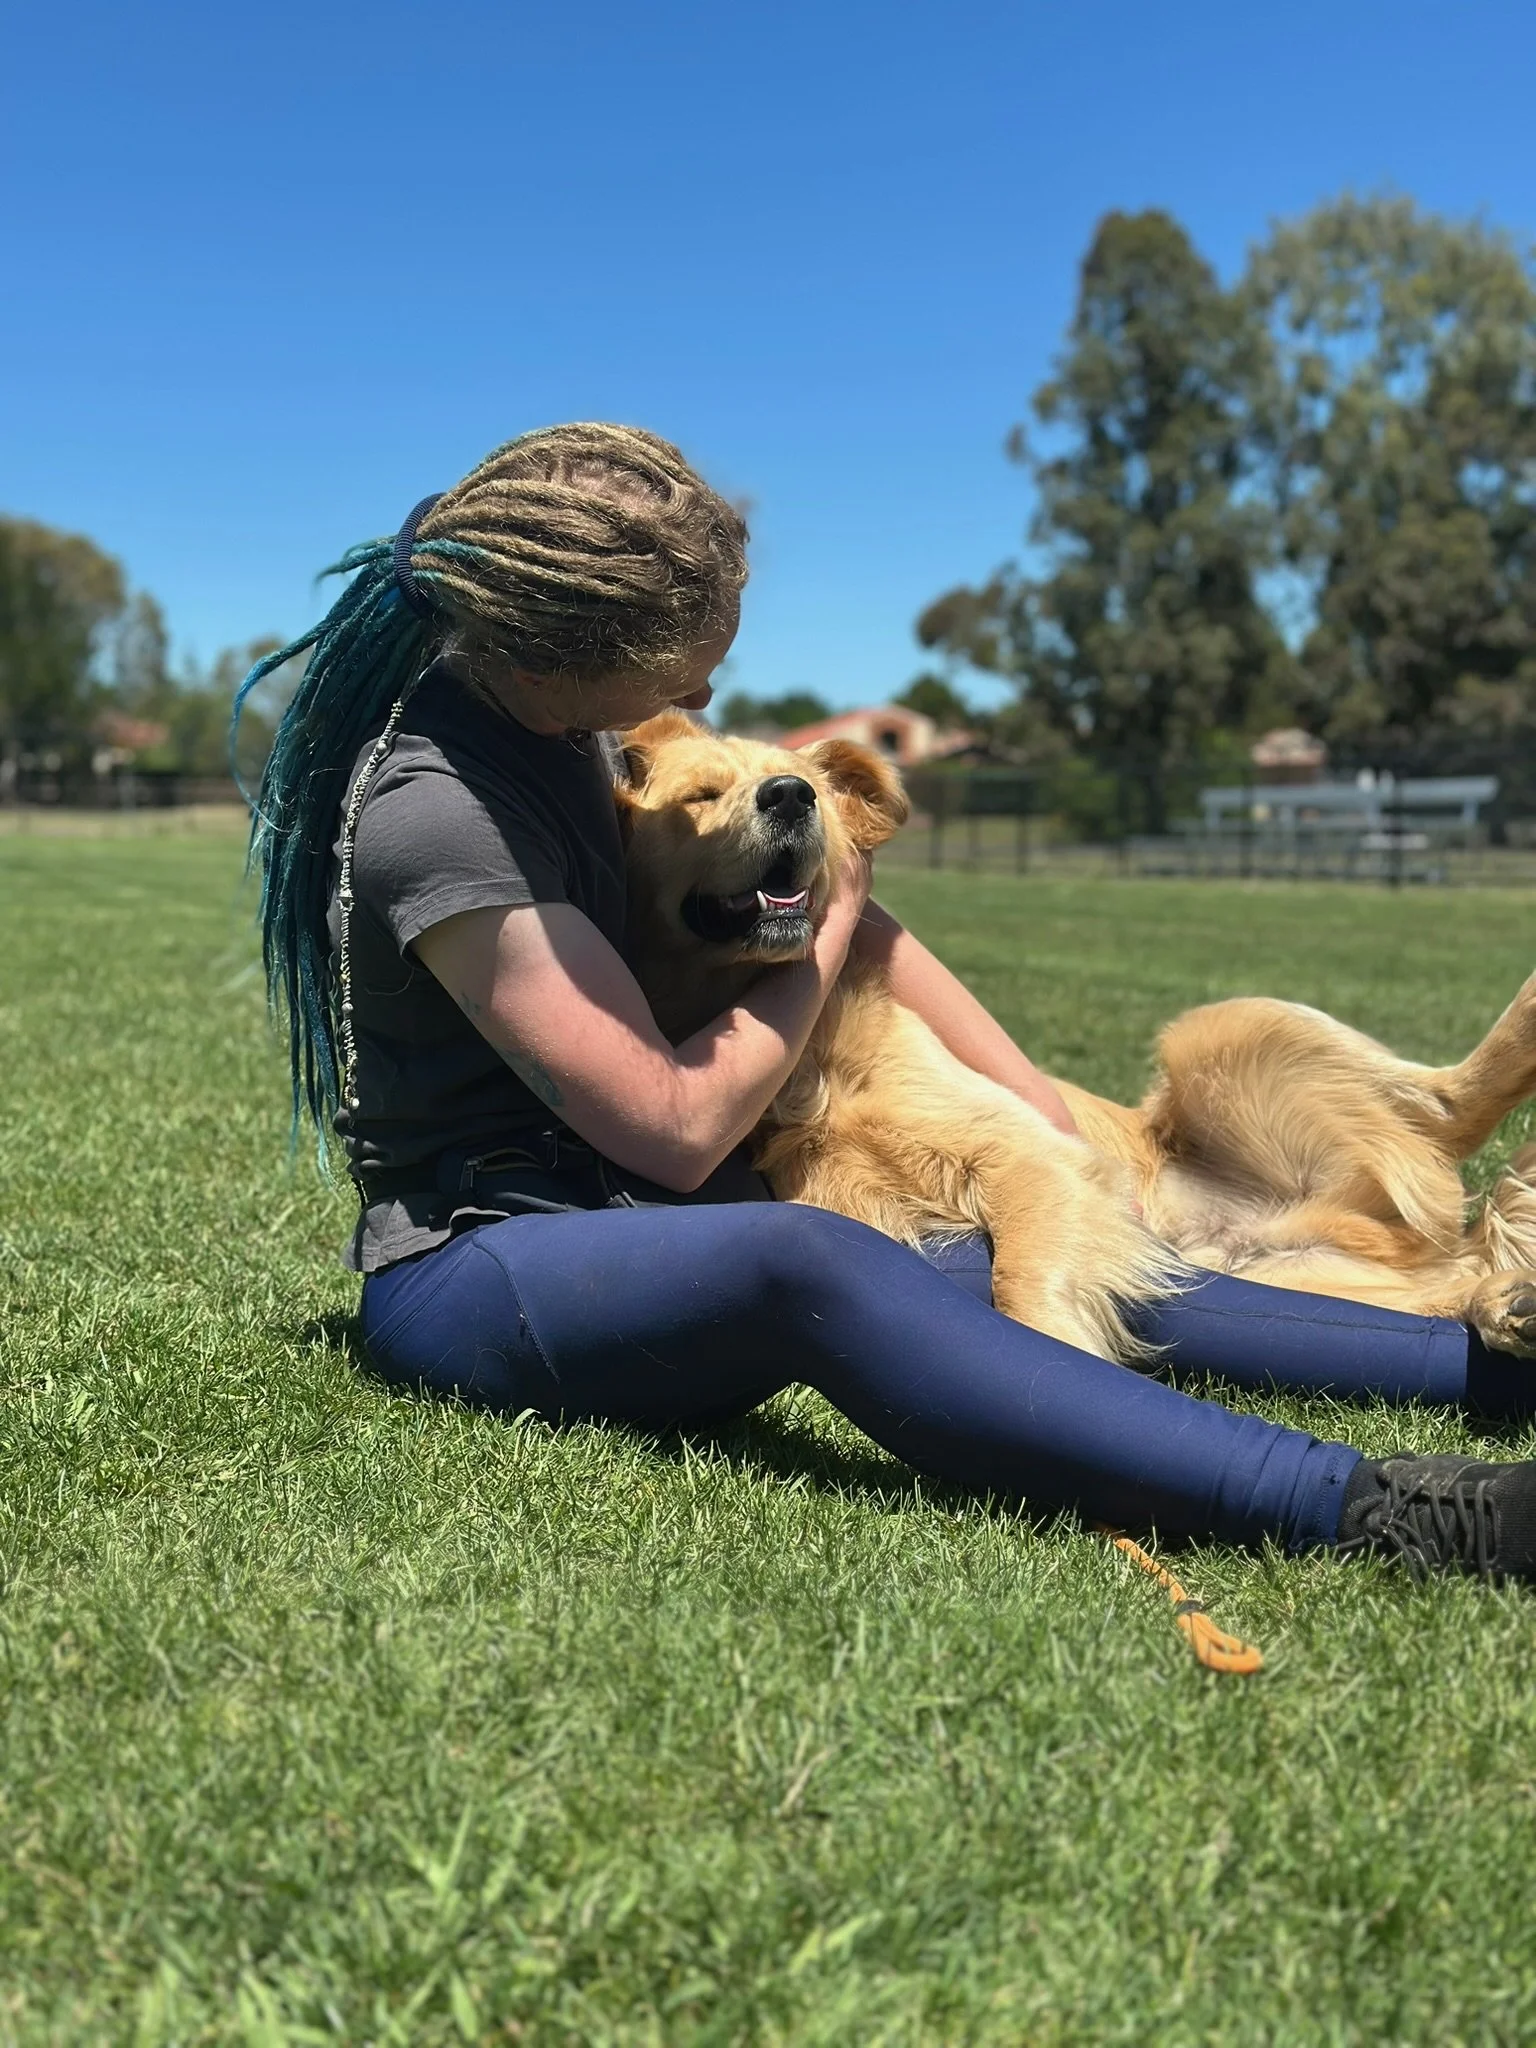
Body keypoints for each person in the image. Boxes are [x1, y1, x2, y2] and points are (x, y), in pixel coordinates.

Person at [237, 422, 1536, 1582]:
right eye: (691, 666)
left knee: (1023, 1243)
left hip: (652, 1215)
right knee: (815, 1256)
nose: (704, 693)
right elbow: (674, 1126)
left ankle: (1491, 1368)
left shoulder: (580, 736)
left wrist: (1035, 1108)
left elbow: (870, 931)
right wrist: (824, 928)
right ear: (584, 646)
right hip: (491, 1258)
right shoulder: (437, 810)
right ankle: (1400, 1515)